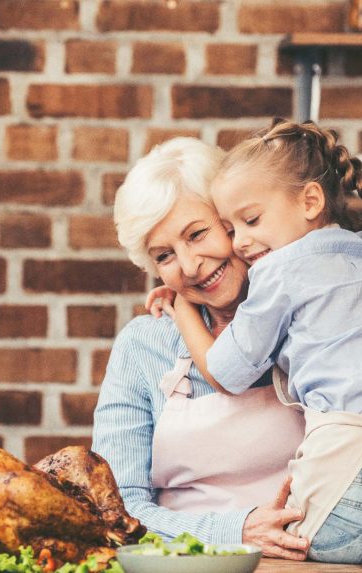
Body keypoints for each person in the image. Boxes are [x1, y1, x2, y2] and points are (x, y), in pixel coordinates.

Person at [150, 120, 362, 563]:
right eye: (230, 228)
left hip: (346, 467)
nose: (242, 242)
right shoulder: (354, 250)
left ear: (310, 201)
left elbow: (226, 373)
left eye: (250, 221)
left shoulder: (279, 272)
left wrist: (181, 307)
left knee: (309, 541)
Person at [91, 137, 309, 560]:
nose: (190, 266)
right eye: (165, 256)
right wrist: (235, 531)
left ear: (236, 219)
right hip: (188, 564)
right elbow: (116, 511)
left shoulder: (314, 318)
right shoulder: (144, 345)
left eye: (198, 234)